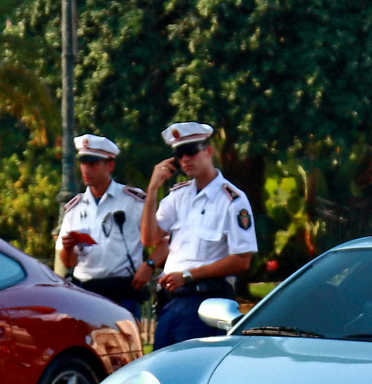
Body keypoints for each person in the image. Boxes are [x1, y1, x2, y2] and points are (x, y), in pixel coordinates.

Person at [140, 121, 258, 347]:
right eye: (179, 154)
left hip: (207, 304)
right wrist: (152, 190)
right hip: (171, 302)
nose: (185, 159)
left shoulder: (232, 200)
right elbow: (149, 238)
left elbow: (242, 260)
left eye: (191, 151)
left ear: (208, 151)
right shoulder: (178, 196)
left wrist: (188, 276)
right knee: (163, 374)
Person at [56, 134, 153, 318]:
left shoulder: (133, 201)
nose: (86, 169)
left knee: (123, 346)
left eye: (93, 163)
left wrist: (149, 265)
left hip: (121, 293)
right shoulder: (75, 208)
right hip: (85, 293)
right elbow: (68, 262)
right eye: (83, 163)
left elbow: (162, 240)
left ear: (110, 165)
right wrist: (68, 248)